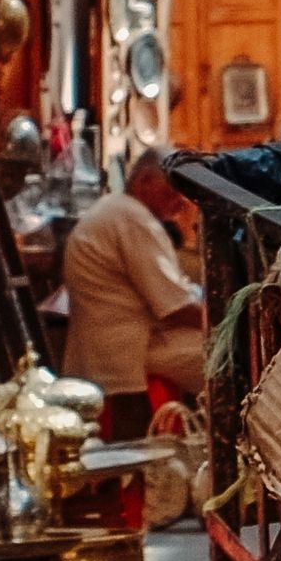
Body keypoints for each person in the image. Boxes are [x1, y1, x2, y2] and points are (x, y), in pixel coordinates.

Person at [64, 150, 205, 418]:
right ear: (145, 182)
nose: (180, 201)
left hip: (113, 345)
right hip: (130, 350)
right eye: (172, 191)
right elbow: (176, 307)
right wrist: (227, 323)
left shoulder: (114, 208)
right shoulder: (132, 216)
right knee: (229, 358)